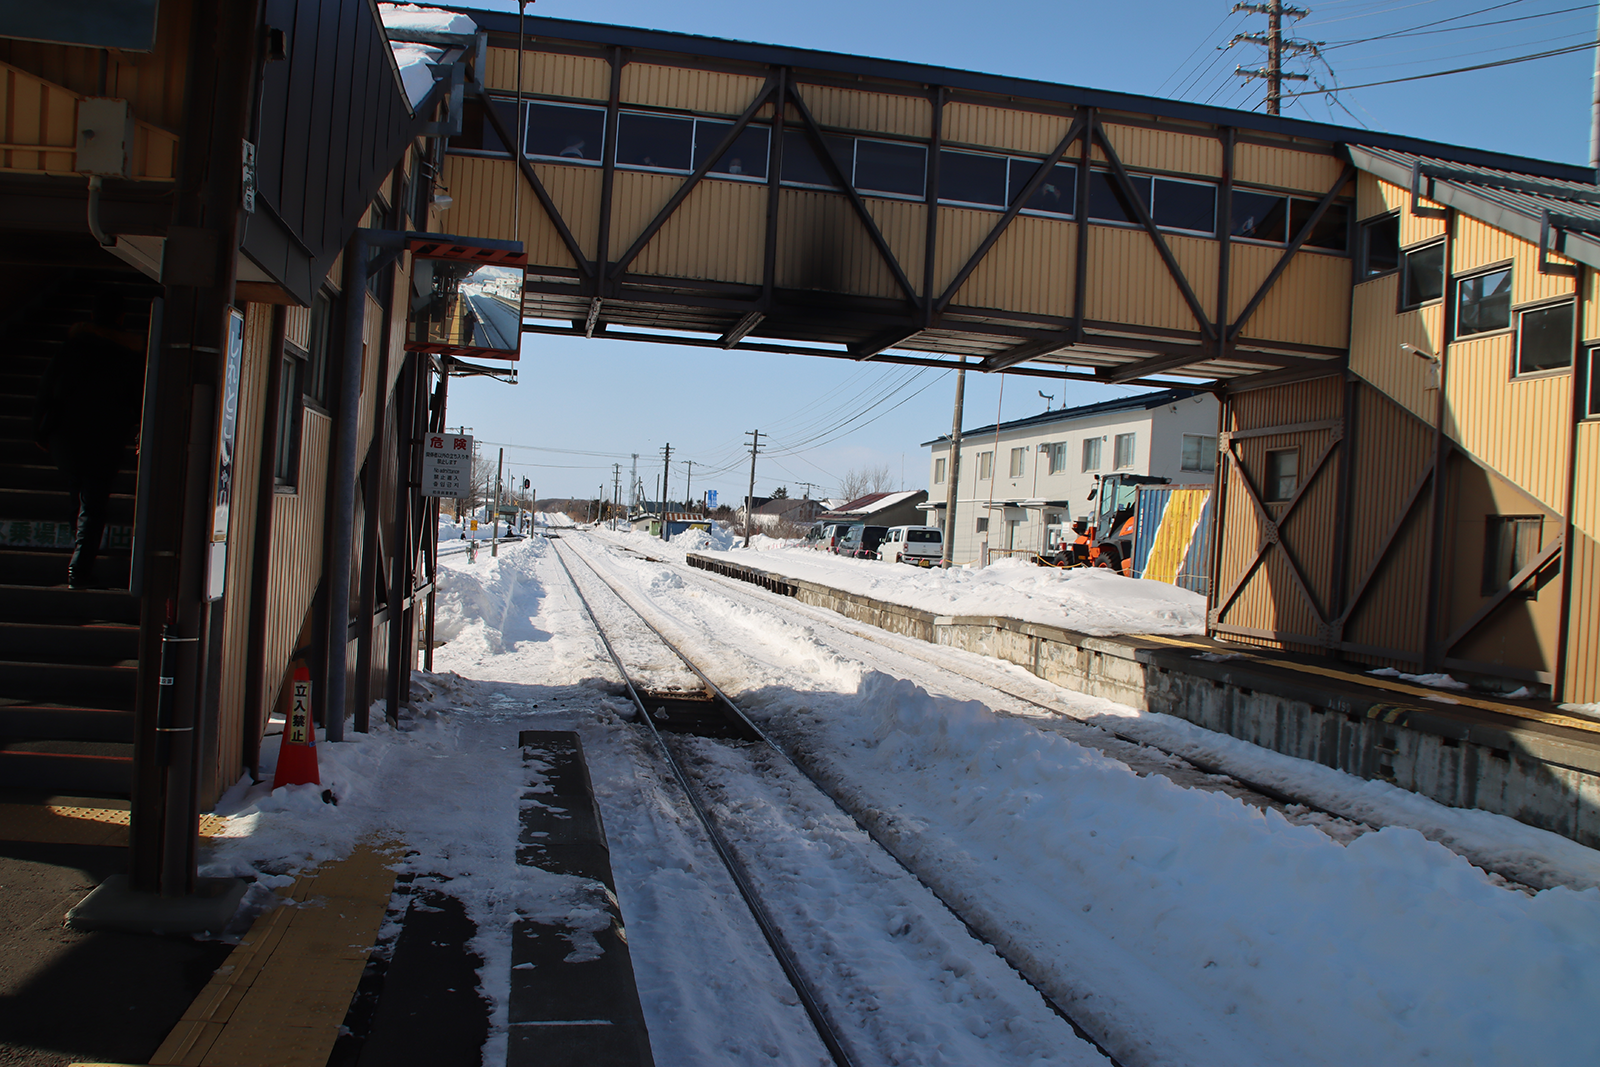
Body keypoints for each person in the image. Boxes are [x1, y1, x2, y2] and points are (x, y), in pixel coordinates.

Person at [33, 294, 146, 589]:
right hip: (104, 438)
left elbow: (46, 388)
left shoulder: (72, 347)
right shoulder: (129, 354)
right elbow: (138, 399)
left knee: (79, 495)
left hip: (66, 437)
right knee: (94, 504)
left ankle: (79, 553)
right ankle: (80, 569)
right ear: (121, 318)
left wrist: (40, 429)